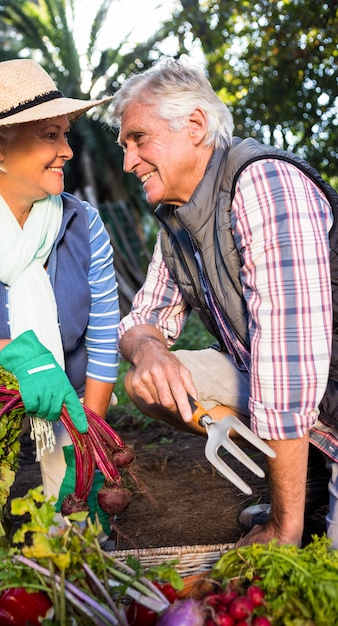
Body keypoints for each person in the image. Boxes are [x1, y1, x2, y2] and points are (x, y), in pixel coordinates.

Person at [109, 58, 338, 550]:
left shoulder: (263, 184)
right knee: (146, 383)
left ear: (194, 125)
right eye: (124, 146)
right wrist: (149, 350)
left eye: (138, 139)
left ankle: (299, 502)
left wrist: (282, 528)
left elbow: (288, 372)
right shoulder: (177, 217)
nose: (128, 162)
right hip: (310, 397)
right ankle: (310, 482)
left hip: (317, 388)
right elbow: (143, 318)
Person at [0, 58, 120, 606]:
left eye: (66, 134)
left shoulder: (81, 222)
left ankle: (74, 502)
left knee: (77, 546)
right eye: (50, 136)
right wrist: (11, 353)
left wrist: (90, 439)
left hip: (70, 402)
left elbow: (104, 335)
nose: (68, 150)